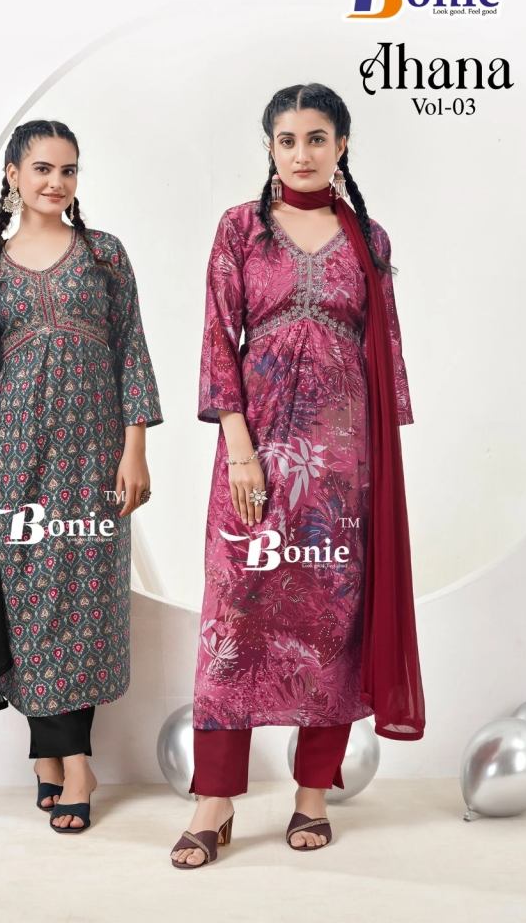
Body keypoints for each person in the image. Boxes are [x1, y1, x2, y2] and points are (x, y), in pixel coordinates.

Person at [170, 83, 424, 868]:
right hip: (253, 453)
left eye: (317, 138)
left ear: (342, 145)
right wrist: (239, 448)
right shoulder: (240, 228)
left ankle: (313, 795)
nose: (302, 153)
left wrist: (373, 469)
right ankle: (215, 802)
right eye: (288, 140)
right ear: (270, 148)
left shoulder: (368, 238)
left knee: (331, 622)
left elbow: (385, 354)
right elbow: (219, 338)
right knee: (233, 617)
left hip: (343, 462)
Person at [0, 119, 163, 834]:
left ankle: (63, 759)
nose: (56, 183)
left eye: (68, 170)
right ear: (12, 174)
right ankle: (65, 759)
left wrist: (135, 448)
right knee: (29, 605)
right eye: (42, 168)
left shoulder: (104, 254)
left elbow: (131, 349)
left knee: (85, 604)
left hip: (94, 458)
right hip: (13, 456)